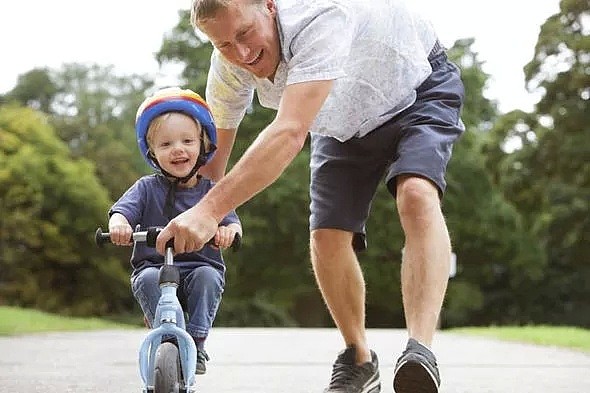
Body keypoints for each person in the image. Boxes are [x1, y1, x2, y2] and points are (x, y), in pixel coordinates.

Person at [156, 1, 465, 392]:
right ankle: (358, 358)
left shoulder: (319, 15)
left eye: (245, 34)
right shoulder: (229, 67)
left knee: (416, 194)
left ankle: (420, 351)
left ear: (270, 6)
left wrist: (212, 210)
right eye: (224, 45)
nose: (241, 54)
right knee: (327, 236)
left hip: (415, 87)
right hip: (340, 118)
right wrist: (184, 225)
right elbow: (210, 170)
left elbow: (288, 133)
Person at [108, 87, 242, 375]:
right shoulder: (146, 188)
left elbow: (230, 220)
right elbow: (122, 211)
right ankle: (164, 331)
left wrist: (228, 231)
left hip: (199, 265)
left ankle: (196, 341)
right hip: (155, 266)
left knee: (208, 277)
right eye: (166, 144)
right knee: (145, 278)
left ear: (203, 145)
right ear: (153, 153)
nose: (178, 149)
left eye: (187, 141)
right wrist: (119, 226)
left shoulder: (212, 193)